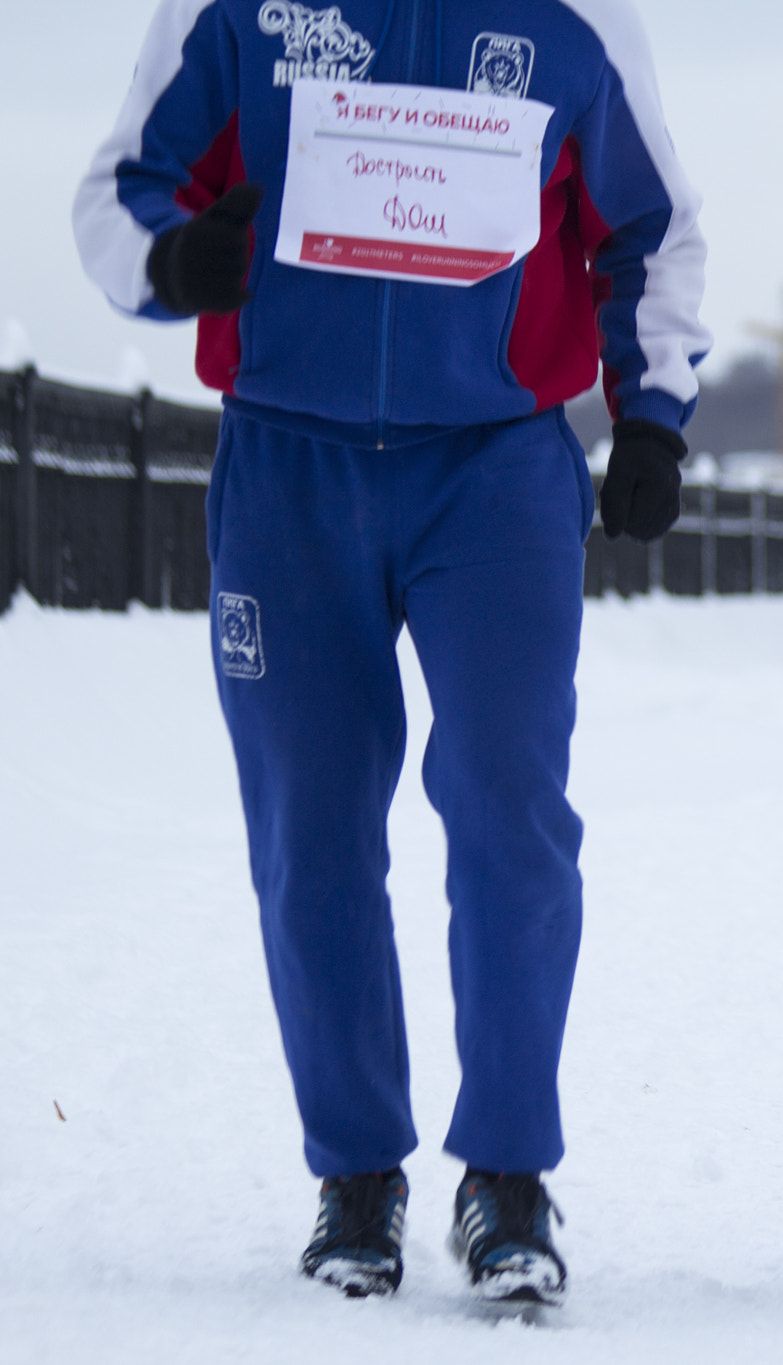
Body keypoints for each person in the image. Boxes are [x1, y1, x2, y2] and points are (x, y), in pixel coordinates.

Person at [72, 0, 709, 1307]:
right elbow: (118, 190)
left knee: (509, 810)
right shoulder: (234, 9)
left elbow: (651, 226)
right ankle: (357, 1174)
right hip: (288, 464)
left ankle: (509, 1177)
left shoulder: (574, 19)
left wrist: (651, 414)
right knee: (310, 829)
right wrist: (175, 262)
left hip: (494, 469)